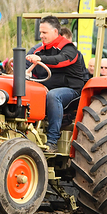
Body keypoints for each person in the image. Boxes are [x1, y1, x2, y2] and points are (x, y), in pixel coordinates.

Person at [26, 15, 86, 152]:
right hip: (46, 88)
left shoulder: (69, 48)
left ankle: (52, 141)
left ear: (55, 32)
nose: (41, 35)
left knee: (54, 96)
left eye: (44, 32)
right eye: (40, 32)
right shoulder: (39, 50)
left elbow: (60, 60)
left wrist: (40, 59)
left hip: (72, 91)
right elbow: (28, 67)